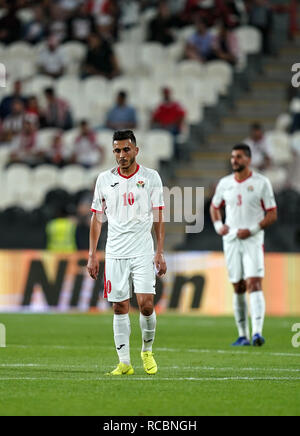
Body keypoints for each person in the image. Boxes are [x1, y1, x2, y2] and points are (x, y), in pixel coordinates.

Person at [87, 129, 167, 375]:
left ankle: (147, 350)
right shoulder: (103, 179)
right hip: (114, 252)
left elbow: (158, 216)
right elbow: (97, 219)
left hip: (143, 250)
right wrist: (92, 254)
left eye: (126, 149)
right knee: (119, 307)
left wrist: (159, 251)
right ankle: (124, 362)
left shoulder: (151, 177)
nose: (121, 155)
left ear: (136, 150)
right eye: (117, 151)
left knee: (145, 305)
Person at [210, 144, 277, 347]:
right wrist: (218, 225)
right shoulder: (224, 183)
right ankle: (243, 335)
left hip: (253, 240)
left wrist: (253, 230)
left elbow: (272, 213)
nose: (234, 160)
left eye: (238, 157)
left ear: (248, 159)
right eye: (232, 157)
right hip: (231, 240)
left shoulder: (261, 183)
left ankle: (257, 333)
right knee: (238, 286)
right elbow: (214, 207)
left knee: (254, 283)